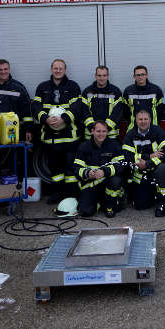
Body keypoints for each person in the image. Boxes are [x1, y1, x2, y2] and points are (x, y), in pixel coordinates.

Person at [31, 59, 87, 203]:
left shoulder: (73, 86)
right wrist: (45, 119)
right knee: (55, 169)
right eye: (55, 68)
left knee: (70, 168)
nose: (58, 71)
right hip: (50, 137)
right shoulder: (42, 87)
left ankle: (70, 195)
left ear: (65, 70)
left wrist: (64, 119)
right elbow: (36, 106)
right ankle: (56, 193)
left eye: (60, 68)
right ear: (51, 69)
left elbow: (77, 107)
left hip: (69, 138)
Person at [122, 109, 165, 217]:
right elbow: (127, 156)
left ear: (150, 120)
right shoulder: (130, 135)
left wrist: (148, 163)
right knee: (140, 205)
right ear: (136, 120)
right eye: (140, 119)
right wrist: (149, 156)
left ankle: (162, 202)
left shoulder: (158, 132)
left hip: (156, 169)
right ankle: (150, 194)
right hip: (141, 173)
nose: (143, 122)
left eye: (145, 119)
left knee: (164, 167)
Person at [73, 120, 126, 218]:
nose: (101, 134)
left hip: (108, 183)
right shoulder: (84, 147)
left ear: (107, 132)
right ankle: (100, 203)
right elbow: (76, 169)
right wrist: (87, 173)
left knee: (116, 180)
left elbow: (121, 165)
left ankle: (110, 205)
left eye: (104, 131)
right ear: (92, 131)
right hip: (92, 184)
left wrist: (104, 171)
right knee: (86, 212)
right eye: (98, 131)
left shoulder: (114, 145)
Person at [82, 65, 125, 139]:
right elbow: (84, 111)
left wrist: (106, 129)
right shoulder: (87, 91)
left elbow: (117, 112)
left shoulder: (115, 92)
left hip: (111, 135)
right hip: (91, 134)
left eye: (104, 75)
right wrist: (92, 127)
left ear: (108, 76)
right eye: (99, 75)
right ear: (95, 76)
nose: (102, 78)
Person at [123, 65, 165, 131]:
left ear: (147, 75)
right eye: (138, 75)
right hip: (133, 129)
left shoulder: (156, 90)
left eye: (143, 74)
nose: (140, 77)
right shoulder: (128, 91)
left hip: (153, 129)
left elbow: (161, 109)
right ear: (134, 77)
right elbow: (125, 110)